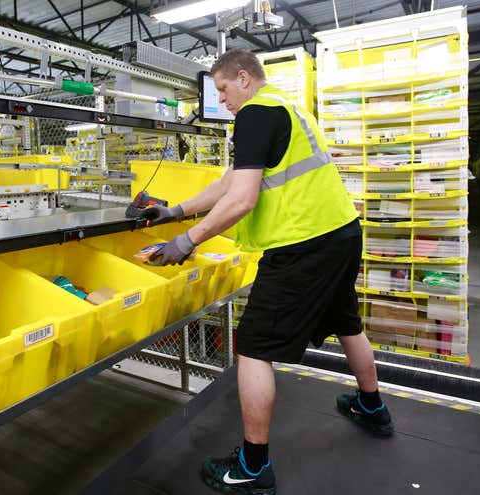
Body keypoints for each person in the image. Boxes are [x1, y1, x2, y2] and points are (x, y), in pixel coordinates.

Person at [140, 48, 394, 495]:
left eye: (222, 90)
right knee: (346, 321)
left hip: (302, 246)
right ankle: (372, 407)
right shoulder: (288, 108)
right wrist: (175, 210)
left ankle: (253, 466)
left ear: (243, 78)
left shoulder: (255, 114)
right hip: (340, 235)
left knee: (254, 347)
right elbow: (229, 182)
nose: (221, 101)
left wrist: (186, 242)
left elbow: (242, 200)